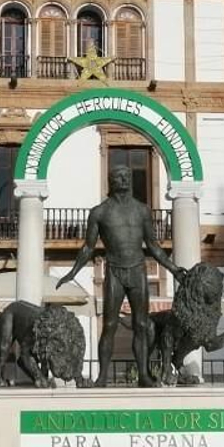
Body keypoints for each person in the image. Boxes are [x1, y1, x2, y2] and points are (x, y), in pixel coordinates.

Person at [58, 165, 179, 387]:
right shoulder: (100, 212)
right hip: (114, 270)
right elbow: (88, 247)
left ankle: (143, 374)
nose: (123, 179)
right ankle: (102, 376)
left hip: (137, 270)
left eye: (126, 176)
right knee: (110, 325)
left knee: (141, 325)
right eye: (118, 176)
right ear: (110, 181)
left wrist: (173, 268)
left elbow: (153, 246)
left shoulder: (142, 210)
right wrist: (72, 272)